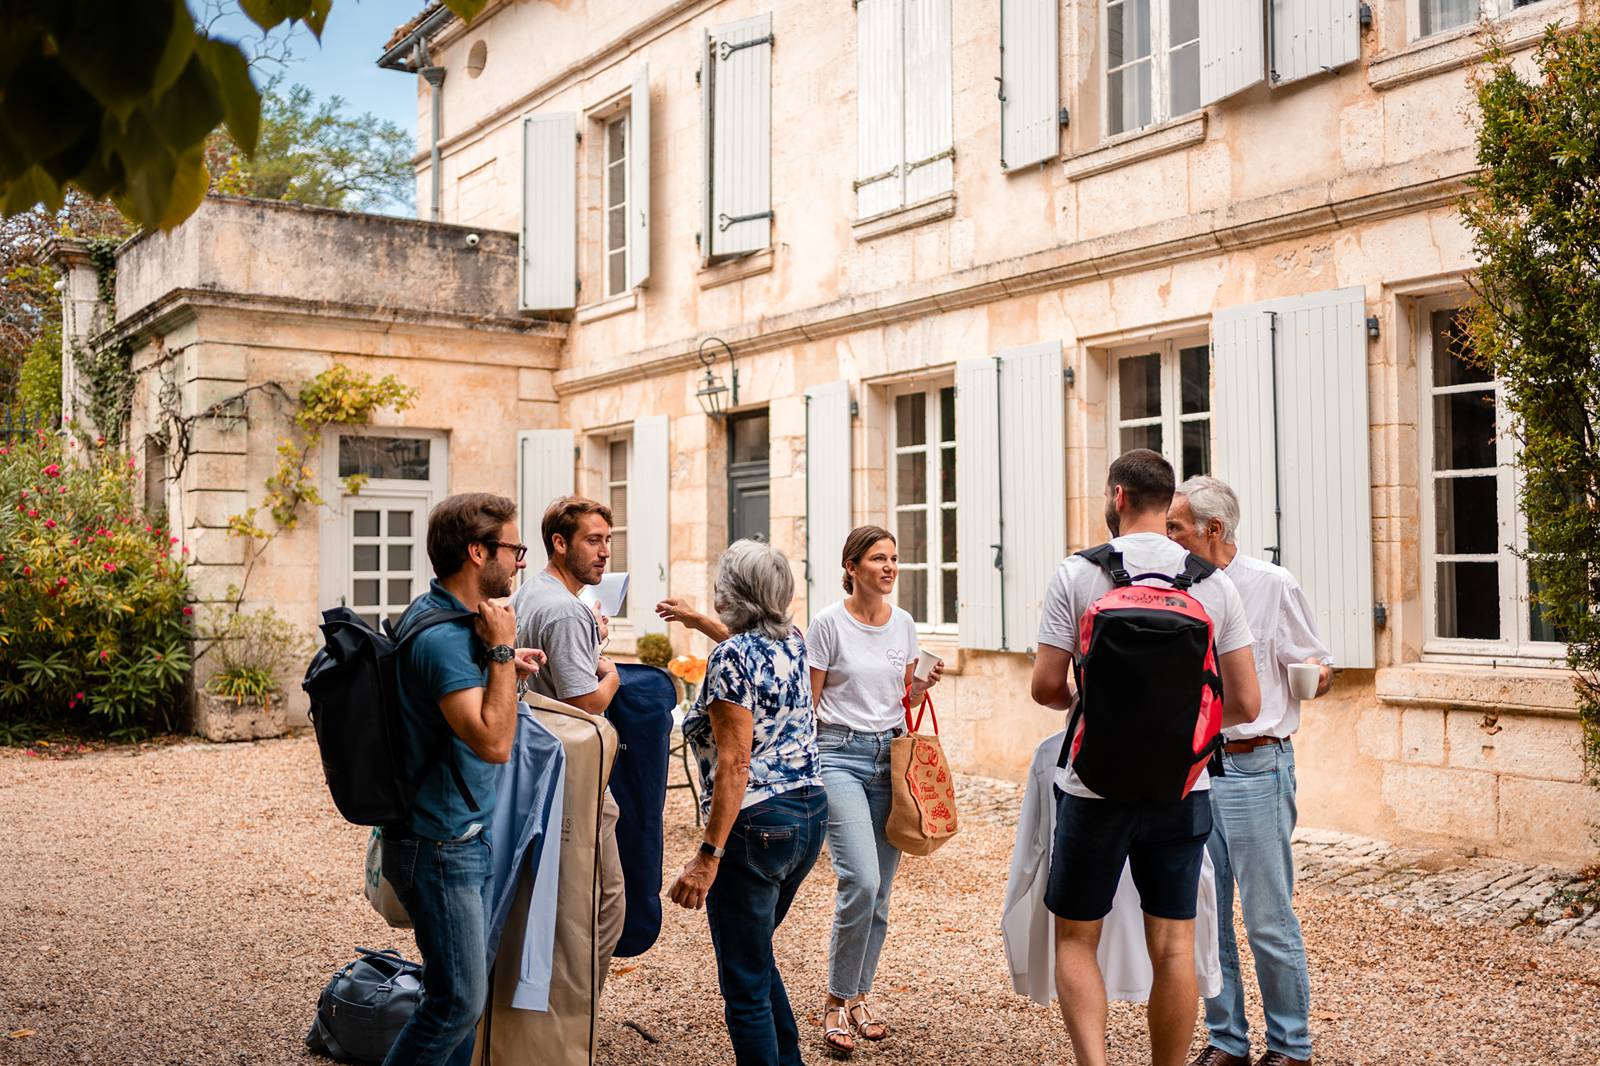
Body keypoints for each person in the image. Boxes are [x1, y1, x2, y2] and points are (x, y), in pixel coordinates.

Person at [1029, 450, 1262, 1066]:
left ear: (1119, 496)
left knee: (1077, 938)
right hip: (1182, 791)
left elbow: (1047, 689)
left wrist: (1103, 707)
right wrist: (1180, 727)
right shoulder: (1214, 583)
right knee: (1175, 946)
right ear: (1170, 504)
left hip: (1091, 788)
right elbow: (1244, 702)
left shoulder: (1076, 575)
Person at [1168, 476, 1333, 1066]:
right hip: (1196, 770)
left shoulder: (1272, 585)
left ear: (1213, 530)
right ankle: (1226, 1042)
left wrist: (1313, 672)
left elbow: (1316, 659)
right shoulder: (1173, 587)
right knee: (1204, 916)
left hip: (1256, 764)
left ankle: (1290, 1047)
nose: (1168, 538)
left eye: (1177, 527)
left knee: (1267, 916)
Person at [383, 492, 544, 1066]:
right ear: (478, 552)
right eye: (513, 548)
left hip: (455, 835)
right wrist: (500, 653)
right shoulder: (448, 639)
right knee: (455, 1002)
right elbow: (495, 743)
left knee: (457, 998)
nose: (521, 560)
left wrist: (500, 663)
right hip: (441, 845)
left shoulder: (448, 622)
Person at [666, 539, 828, 1066]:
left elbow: (735, 764)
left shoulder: (732, 658)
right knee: (755, 956)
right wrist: (696, 622)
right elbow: (744, 652)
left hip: (756, 824)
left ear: (733, 592)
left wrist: (706, 857)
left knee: (745, 982)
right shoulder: (795, 643)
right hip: (807, 812)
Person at [805, 525, 942, 1056]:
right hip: (836, 755)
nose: (889, 567)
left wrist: (921, 685)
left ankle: (861, 994)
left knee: (881, 892)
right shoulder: (827, 624)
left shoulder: (903, 624)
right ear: (852, 566)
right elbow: (810, 705)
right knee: (859, 881)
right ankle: (836, 1001)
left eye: (894, 558)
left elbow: (901, 694)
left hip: (890, 758)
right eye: (878, 559)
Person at [510, 495, 627, 989]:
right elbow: (586, 703)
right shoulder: (565, 611)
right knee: (605, 903)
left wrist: (589, 641)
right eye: (593, 541)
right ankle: (576, 1014)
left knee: (547, 901)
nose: (604, 553)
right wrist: (614, 675)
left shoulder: (533, 592)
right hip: (571, 775)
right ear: (559, 544)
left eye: (608, 542)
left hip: (532, 766)